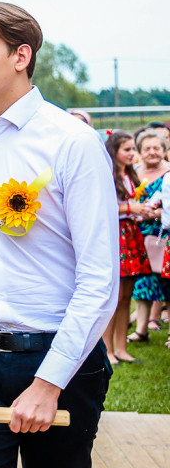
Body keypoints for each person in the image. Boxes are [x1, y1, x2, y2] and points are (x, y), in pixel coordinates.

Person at [0, 1, 117, 468]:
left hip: (61, 356)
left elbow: (99, 279)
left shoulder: (72, 142)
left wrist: (49, 381)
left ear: (20, 56)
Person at [101, 131, 153, 365]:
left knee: (126, 297)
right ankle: (107, 349)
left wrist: (142, 210)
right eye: (128, 150)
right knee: (114, 296)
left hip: (131, 235)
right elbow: (104, 207)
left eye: (134, 149)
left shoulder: (131, 175)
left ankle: (121, 347)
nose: (133, 154)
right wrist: (130, 208)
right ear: (115, 152)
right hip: (115, 236)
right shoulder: (106, 176)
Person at [127, 129, 169, 344]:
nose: (152, 152)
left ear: (164, 150)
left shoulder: (168, 173)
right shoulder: (132, 172)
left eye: (157, 148)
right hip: (138, 235)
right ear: (140, 151)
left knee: (167, 281)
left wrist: (157, 213)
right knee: (142, 281)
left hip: (164, 234)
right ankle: (141, 330)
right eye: (147, 148)